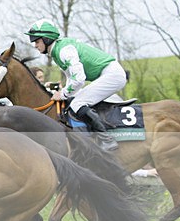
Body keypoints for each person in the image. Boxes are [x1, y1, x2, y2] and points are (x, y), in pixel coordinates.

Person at [25, 19, 123, 151]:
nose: (35, 45)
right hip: (107, 74)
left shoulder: (63, 50)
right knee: (76, 100)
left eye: (37, 41)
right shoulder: (57, 50)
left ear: (46, 39)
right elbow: (72, 79)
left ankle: (106, 139)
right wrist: (64, 93)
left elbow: (79, 79)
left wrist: (63, 94)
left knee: (78, 103)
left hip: (112, 75)